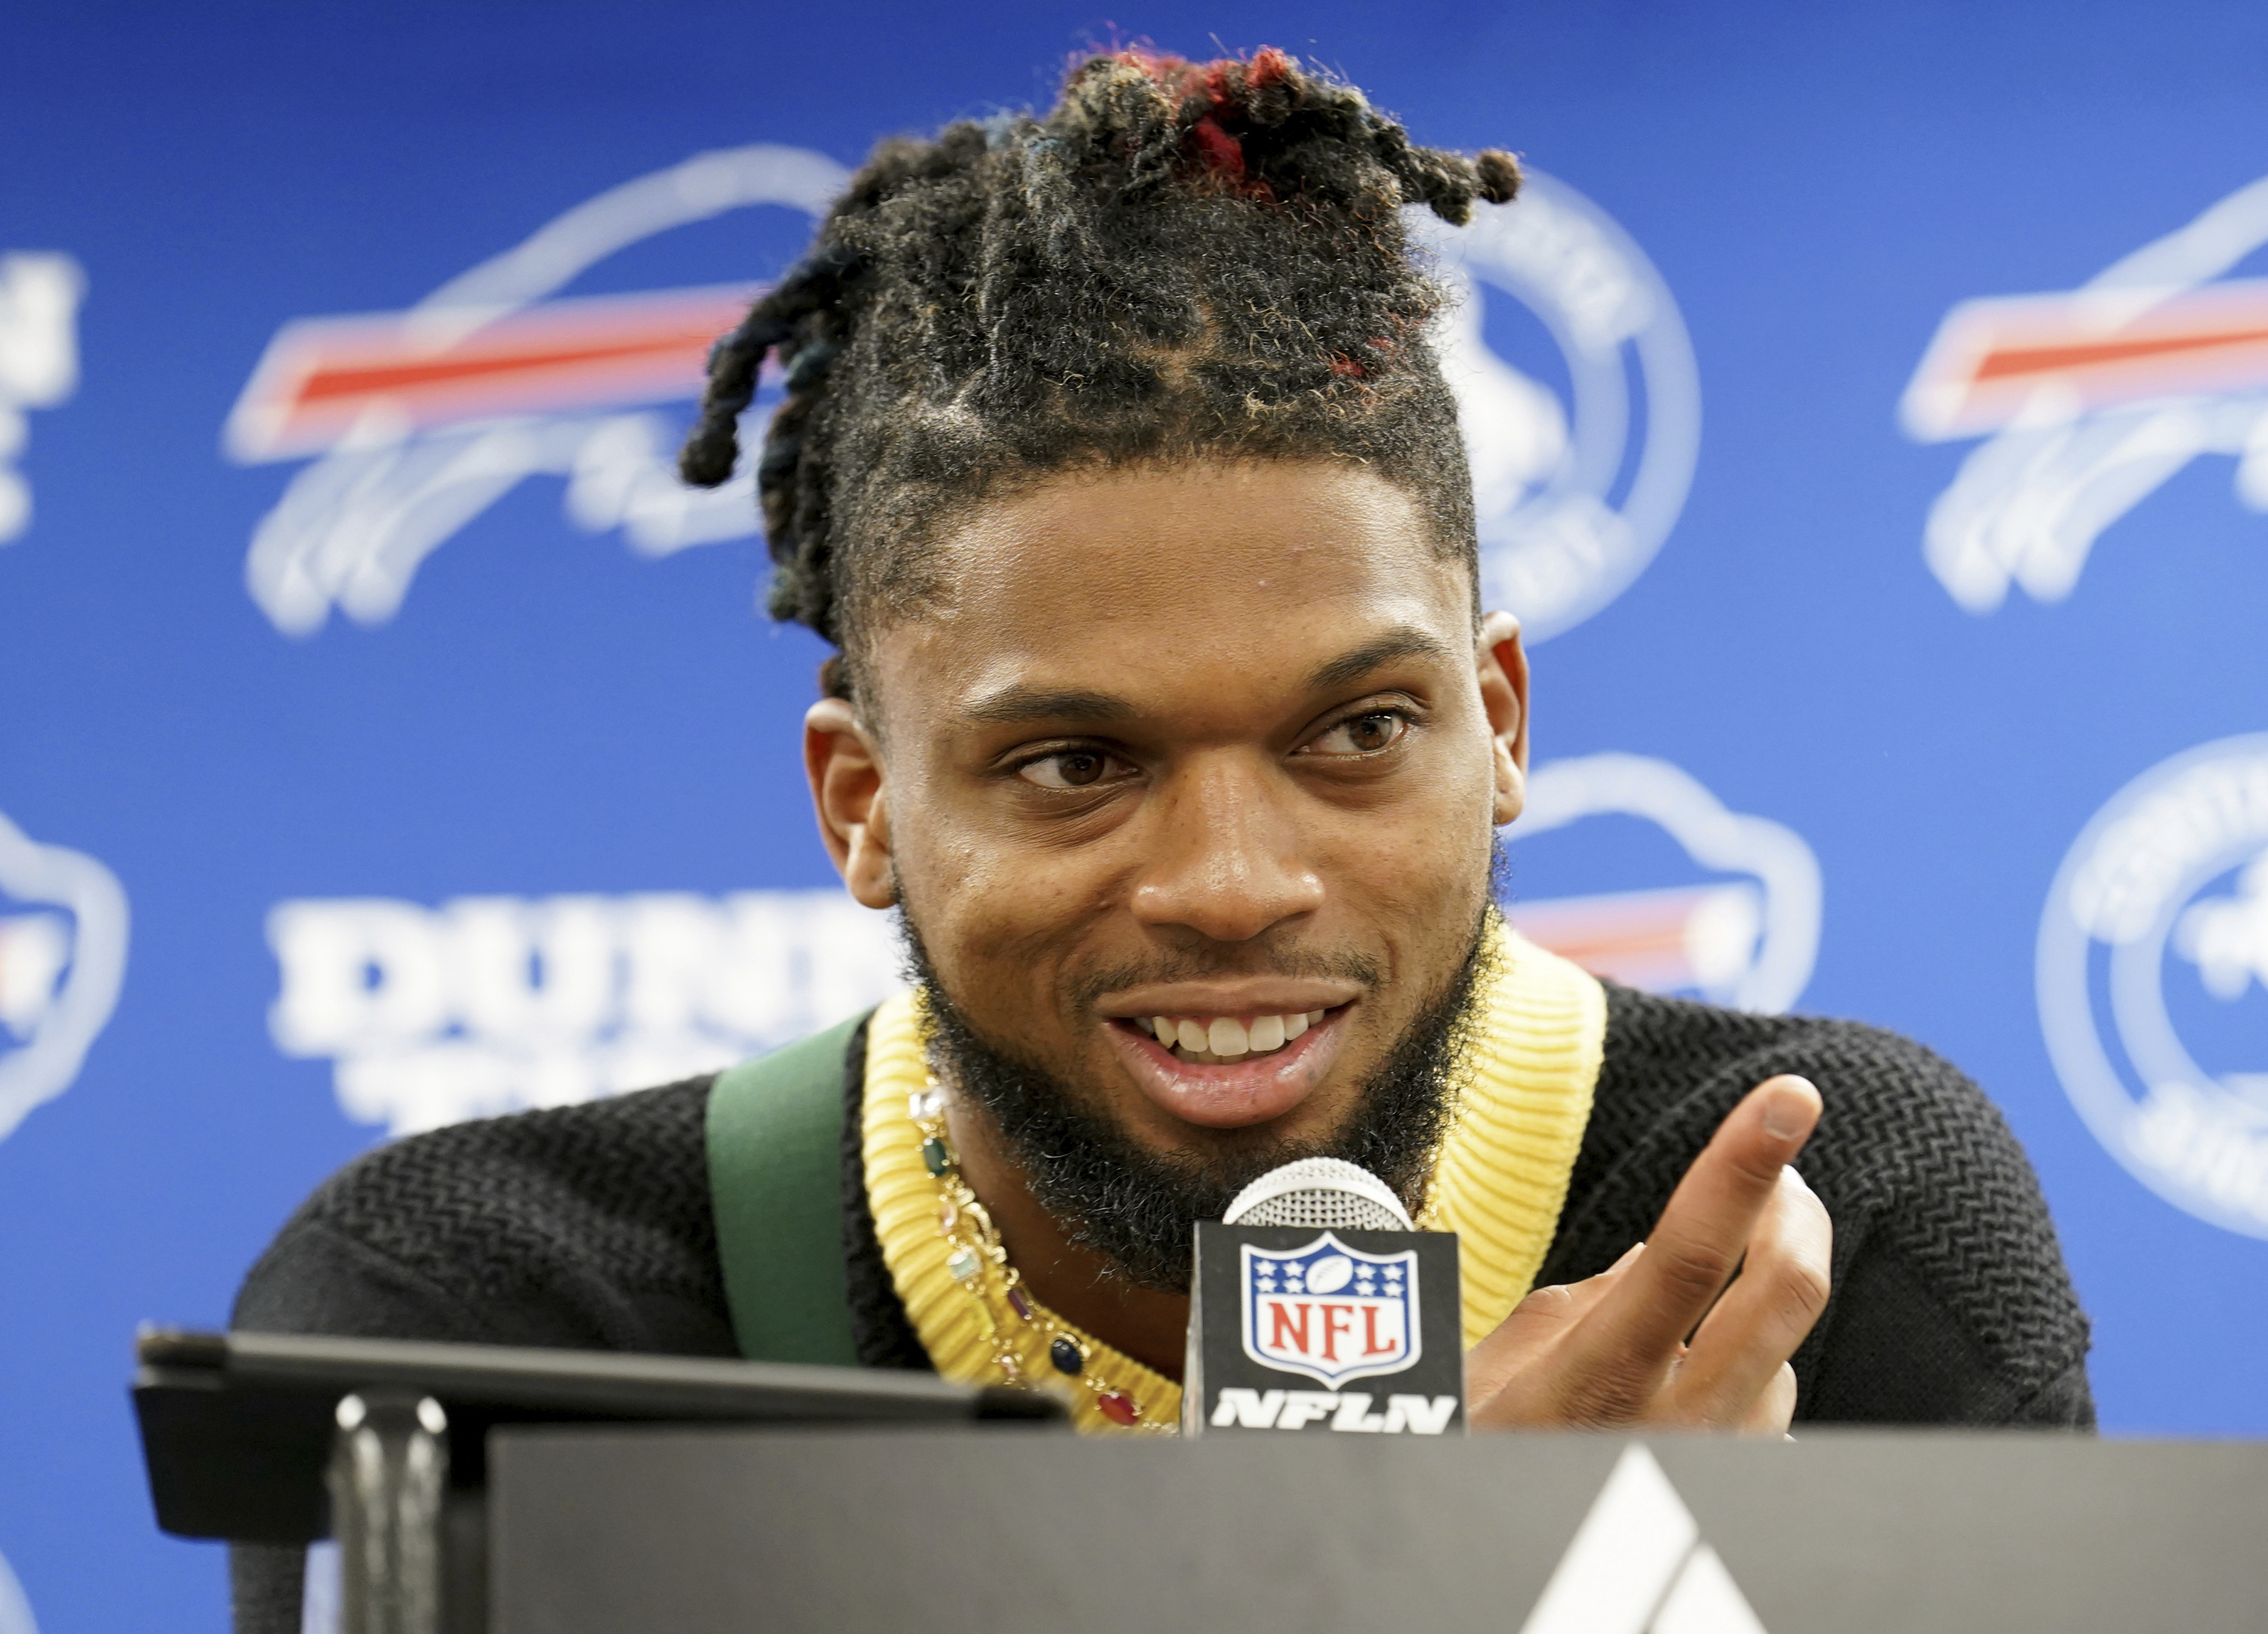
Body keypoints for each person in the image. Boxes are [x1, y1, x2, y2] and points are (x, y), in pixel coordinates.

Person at [229, 45, 2090, 1628]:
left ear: (1499, 723)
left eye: (1358, 732)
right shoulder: (498, 1320)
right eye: (1073, 764)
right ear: (863, 804)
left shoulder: (1829, 1244)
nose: (1230, 880)